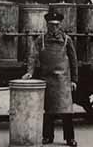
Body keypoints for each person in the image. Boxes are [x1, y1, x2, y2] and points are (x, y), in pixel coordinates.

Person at [22, 12, 78, 146]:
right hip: (47, 80)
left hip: (63, 82)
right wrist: (29, 72)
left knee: (67, 111)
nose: (53, 28)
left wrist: (74, 80)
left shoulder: (67, 40)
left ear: (60, 26)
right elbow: (32, 56)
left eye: (56, 25)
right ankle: (47, 137)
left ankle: (70, 138)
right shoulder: (40, 40)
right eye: (51, 25)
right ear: (47, 25)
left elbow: (74, 61)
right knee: (48, 111)